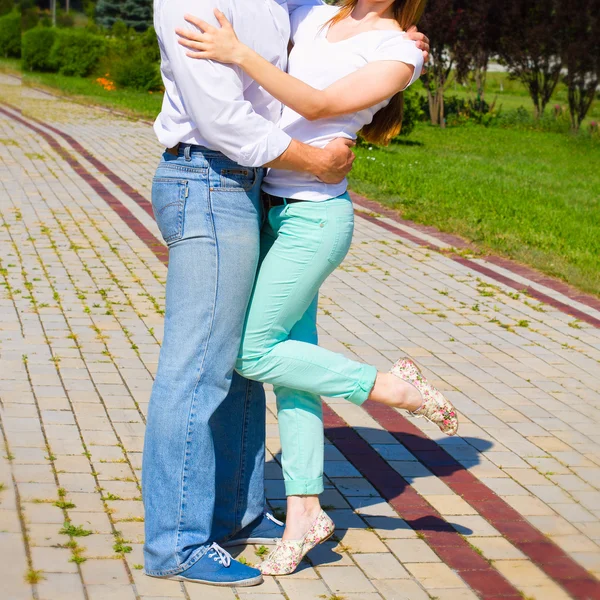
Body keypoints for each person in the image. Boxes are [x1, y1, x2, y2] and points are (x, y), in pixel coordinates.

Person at [143, 0, 430, 589]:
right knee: (204, 366)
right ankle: (178, 542)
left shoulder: (298, 9)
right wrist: (316, 162)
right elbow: (222, 117)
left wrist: (403, 40)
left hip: (266, 193)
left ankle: (244, 514)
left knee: (245, 365)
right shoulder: (211, 4)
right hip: (211, 176)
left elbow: (329, 83)